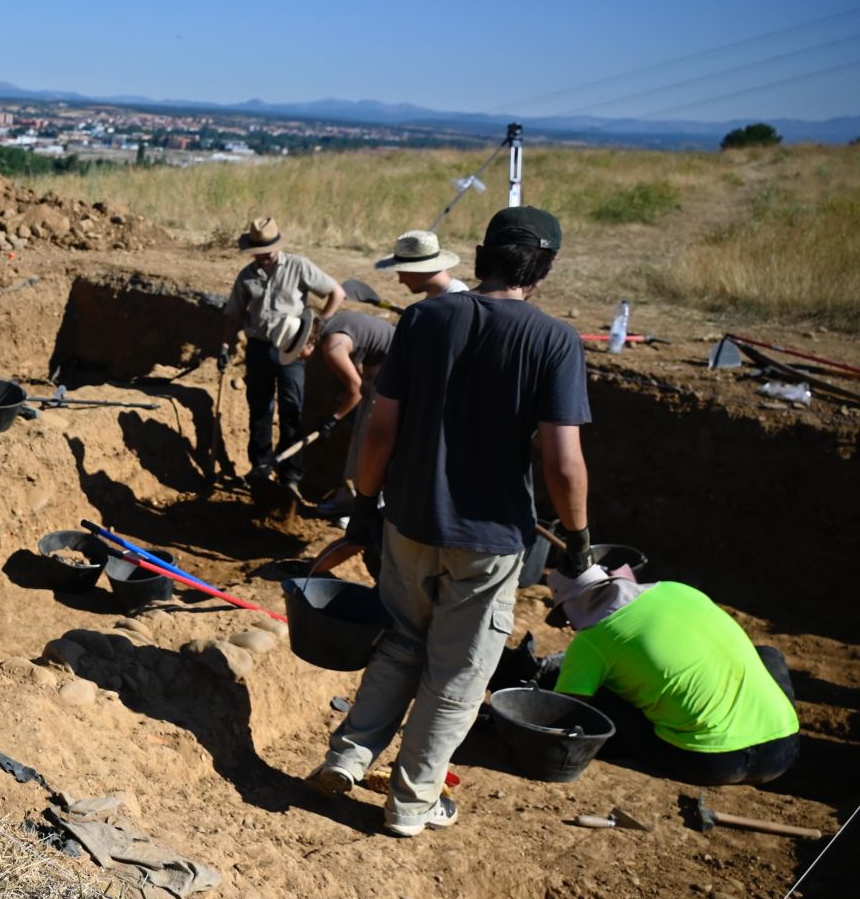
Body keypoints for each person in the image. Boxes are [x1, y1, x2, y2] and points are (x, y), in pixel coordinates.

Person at [311, 206, 593, 837]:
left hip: (408, 520)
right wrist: (577, 541)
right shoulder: (554, 341)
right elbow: (562, 462)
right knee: (458, 673)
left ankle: (348, 758)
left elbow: (382, 429)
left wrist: (365, 504)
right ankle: (413, 803)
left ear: (479, 253)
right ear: (545, 267)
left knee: (401, 643)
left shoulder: (424, 319)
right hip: (488, 540)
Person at [546, 567, 799, 786]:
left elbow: (567, 714)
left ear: (572, 608)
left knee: (603, 704)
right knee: (768, 654)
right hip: (784, 749)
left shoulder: (591, 641)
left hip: (712, 761)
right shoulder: (677, 590)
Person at [218, 217, 345, 493]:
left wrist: (318, 327)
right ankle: (260, 468)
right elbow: (234, 315)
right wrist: (225, 347)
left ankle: (291, 476)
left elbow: (337, 292)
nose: (262, 257)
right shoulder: (247, 276)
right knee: (260, 409)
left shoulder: (298, 266)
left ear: (277, 246)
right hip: (259, 349)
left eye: (266, 251)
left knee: (291, 410)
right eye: (257, 252)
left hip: (291, 348)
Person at [283, 307, 393, 505]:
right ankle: (347, 500)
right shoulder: (332, 328)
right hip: (377, 374)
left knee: (367, 443)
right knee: (358, 443)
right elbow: (360, 361)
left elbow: (356, 391)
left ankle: (362, 508)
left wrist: (334, 419)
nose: (299, 358)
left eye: (297, 352)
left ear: (307, 341)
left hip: (393, 376)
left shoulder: (332, 347)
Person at [375, 229, 469, 299]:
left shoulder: (456, 300)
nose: (401, 281)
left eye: (404, 274)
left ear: (422, 270)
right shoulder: (439, 295)